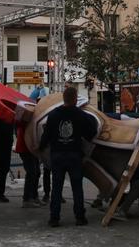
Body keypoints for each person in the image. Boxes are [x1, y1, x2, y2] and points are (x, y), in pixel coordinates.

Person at [41, 86, 97, 227]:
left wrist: (40, 149)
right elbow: (91, 134)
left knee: (57, 188)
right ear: (75, 98)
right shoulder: (80, 114)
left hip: (57, 155)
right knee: (77, 187)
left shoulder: (53, 115)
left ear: (64, 98)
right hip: (74, 155)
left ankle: (54, 218)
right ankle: (80, 217)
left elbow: (45, 136)